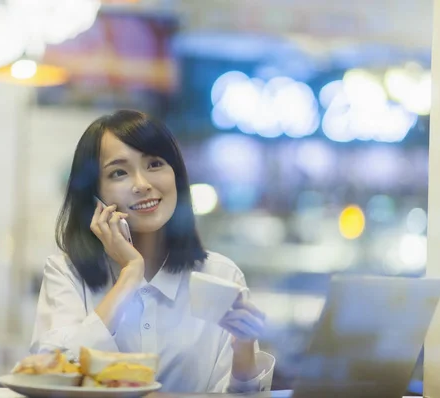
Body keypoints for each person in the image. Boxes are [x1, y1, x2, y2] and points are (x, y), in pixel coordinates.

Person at [30, 110, 275, 393]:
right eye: (118, 172)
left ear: (176, 177)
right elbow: (50, 373)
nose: (142, 184)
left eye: (155, 164)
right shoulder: (67, 272)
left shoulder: (220, 275)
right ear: (94, 196)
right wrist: (129, 276)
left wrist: (244, 351)